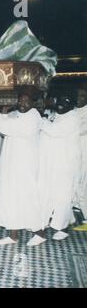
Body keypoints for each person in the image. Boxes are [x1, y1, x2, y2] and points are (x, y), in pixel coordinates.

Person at [0, 87, 46, 246]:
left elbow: (8, 127)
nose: (22, 103)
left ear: (33, 102)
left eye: (26, 100)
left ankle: (39, 233)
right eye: (20, 100)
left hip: (25, 167)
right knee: (10, 199)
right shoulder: (17, 115)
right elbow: (7, 124)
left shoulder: (33, 117)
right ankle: (13, 235)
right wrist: (2, 114)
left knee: (28, 199)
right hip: (12, 166)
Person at [38, 95, 82, 240]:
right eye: (59, 101)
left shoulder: (73, 118)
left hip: (66, 165)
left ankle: (62, 228)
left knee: (63, 195)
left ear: (72, 105)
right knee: (55, 195)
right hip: (53, 163)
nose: (61, 104)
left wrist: (42, 120)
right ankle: (64, 221)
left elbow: (55, 131)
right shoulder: (55, 115)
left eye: (66, 102)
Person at [74, 87, 87, 231]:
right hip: (76, 155)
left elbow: (81, 130)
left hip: (85, 155)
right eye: (78, 95)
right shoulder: (74, 111)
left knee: (84, 188)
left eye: (83, 95)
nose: (79, 98)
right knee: (76, 185)